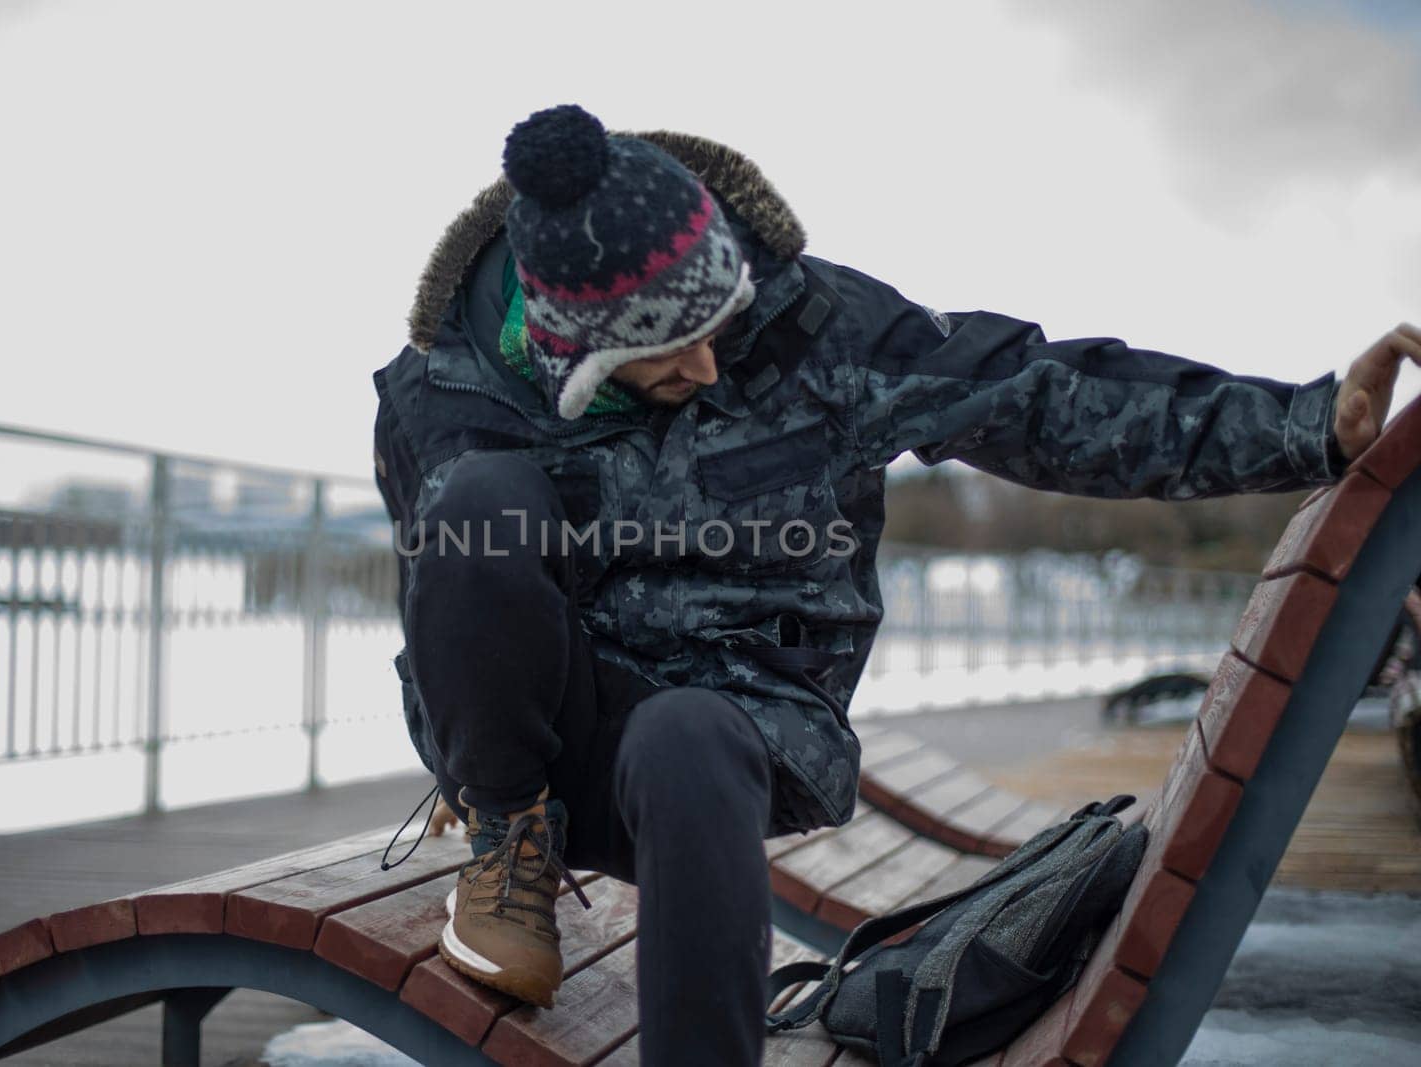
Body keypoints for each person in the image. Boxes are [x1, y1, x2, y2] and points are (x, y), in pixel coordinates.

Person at [370, 103, 1420, 1064]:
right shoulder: (443, 398)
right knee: (474, 508)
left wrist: (1300, 422)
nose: (705, 365)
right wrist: (491, 763)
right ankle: (510, 847)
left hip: (741, 714)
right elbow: (459, 609)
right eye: (666, 347)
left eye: (716, 321)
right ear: (568, 351)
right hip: (542, 743)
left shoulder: (817, 333)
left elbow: (1038, 394)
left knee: (684, 734)